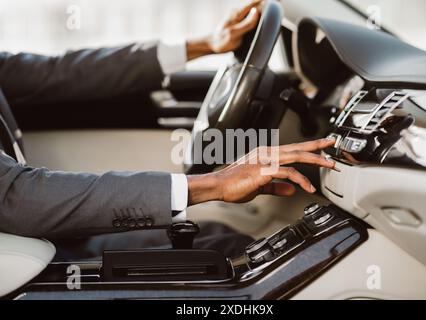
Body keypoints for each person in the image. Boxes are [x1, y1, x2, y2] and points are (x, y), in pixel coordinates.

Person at [0, 0, 336, 259]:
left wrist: (205, 44)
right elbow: (15, 198)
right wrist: (216, 183)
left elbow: (59, 73)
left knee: (220, 239)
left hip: (37, 243)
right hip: (29, 259)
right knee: (229, 252)